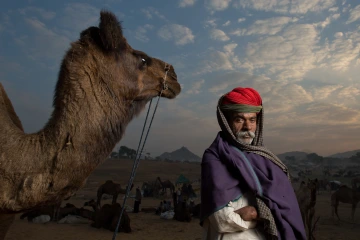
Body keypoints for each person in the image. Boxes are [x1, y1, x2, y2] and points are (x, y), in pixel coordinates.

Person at [200, 87, 306, 240]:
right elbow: (221, 220)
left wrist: (256, 213)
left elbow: (284, 207)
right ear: (226, 122)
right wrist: (262, 219)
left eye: (252, 120)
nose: (247, 127)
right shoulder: (214, 157)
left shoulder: (262, 157)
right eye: (239, 120)